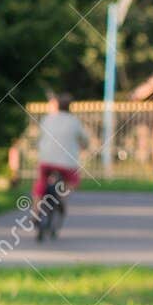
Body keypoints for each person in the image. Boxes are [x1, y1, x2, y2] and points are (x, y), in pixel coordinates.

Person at [33, 93, 89, 221]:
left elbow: (39, 138)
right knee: (73, 181)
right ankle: (60, 198)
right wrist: (84, 146)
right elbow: (84, 140)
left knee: (41, 183)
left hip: (46, 160)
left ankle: (35, 212)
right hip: (67, 163)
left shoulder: (47, 119)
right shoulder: (74, 121)